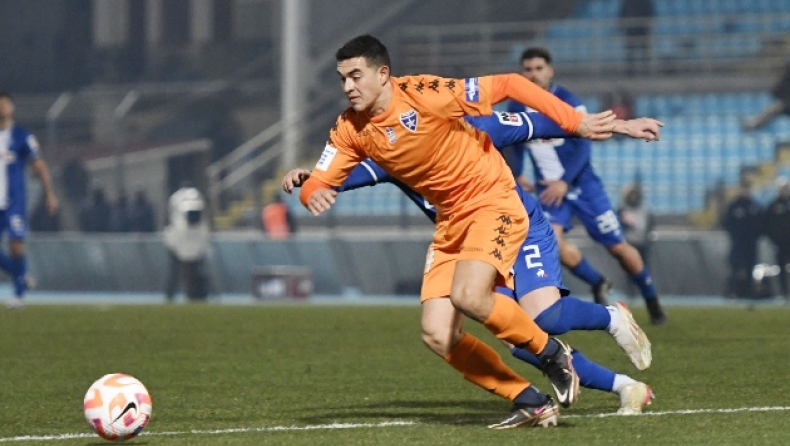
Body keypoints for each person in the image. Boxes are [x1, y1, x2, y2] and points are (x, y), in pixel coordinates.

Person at [295, 35, 631, 429]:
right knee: (438, 334)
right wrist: (312, 193)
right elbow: (320, 179)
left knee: (472, 297)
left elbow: (510, 85)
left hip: (492, 200)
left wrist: (578, 122)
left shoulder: (425, 93)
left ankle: (555, 354)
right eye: (342, 79)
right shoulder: (350, 127)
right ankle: (530, 400)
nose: (348, 87)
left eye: (356, 76)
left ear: (383, 74)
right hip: (452, 222)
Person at [507, 48, 667, 325]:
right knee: (552, 242)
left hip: (582, 186)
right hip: (549, 191)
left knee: (618, 248)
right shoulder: (517, 107)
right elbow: (516, 142)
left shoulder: (568, 101)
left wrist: (564, 181)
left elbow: (584, 146)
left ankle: (652, 300)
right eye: (528, 69)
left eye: (539, 68)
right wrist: (518, 173)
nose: (533, 75)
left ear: (550, 71)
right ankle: (597, 282)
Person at [0, 92, 59, 309]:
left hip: (14, 201)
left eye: (5, 104)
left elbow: (39, 166)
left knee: (16, 245)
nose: (2, 107)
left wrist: (49, 193)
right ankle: (21, 274)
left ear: (12, 108)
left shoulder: (21, 136)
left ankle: (19, 296)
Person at [163, 185, 211, 302]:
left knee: (196, 273)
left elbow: (204, 238)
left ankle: (197, 294)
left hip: (193, 252)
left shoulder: (201, 226)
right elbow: (173, 238)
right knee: (175, 273)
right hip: (179, 250)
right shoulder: (179, 224)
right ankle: (170, 295)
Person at [722, 182, 764, 299]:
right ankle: (734, 291)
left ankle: (749, 291)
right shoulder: (734, 206)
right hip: (737, 243)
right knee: (736, 267)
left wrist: (755, 235)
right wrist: (735, 235)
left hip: (751, 243)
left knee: (750, 267)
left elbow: (762, 223)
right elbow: (727, 222)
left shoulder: (755, 206)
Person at [617, 183, 655, 299]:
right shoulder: (623, 209)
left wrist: (647, 239)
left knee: (643, 268)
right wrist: (624, 222)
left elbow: (650, 225)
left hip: (642, 243)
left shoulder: (645, 210)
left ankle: (645, 291)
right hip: (629, 243)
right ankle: (630, 291)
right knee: (629, 268)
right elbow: (617, 225)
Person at [743, 61, 790, 131]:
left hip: (785, 102)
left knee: (777, 107)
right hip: (786, 102)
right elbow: (779, 89)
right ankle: (753, 124)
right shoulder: (786, 77)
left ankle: (754, 124)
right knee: (777, 107)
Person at [764, 179, 790, 300]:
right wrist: (774, 239)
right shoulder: (773, 205)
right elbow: (767, 224)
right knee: (781, 268)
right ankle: (783, 293)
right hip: (780, 243)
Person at [619, 0, 654, 77]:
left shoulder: (646, 2)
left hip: (642, 29)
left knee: (644, 51)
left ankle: (645, 70)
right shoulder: (627, 2)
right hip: (631, 29)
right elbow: (622, 13)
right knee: (631, 51)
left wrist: (646, 24)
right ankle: (630, 71)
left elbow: (651, 13)